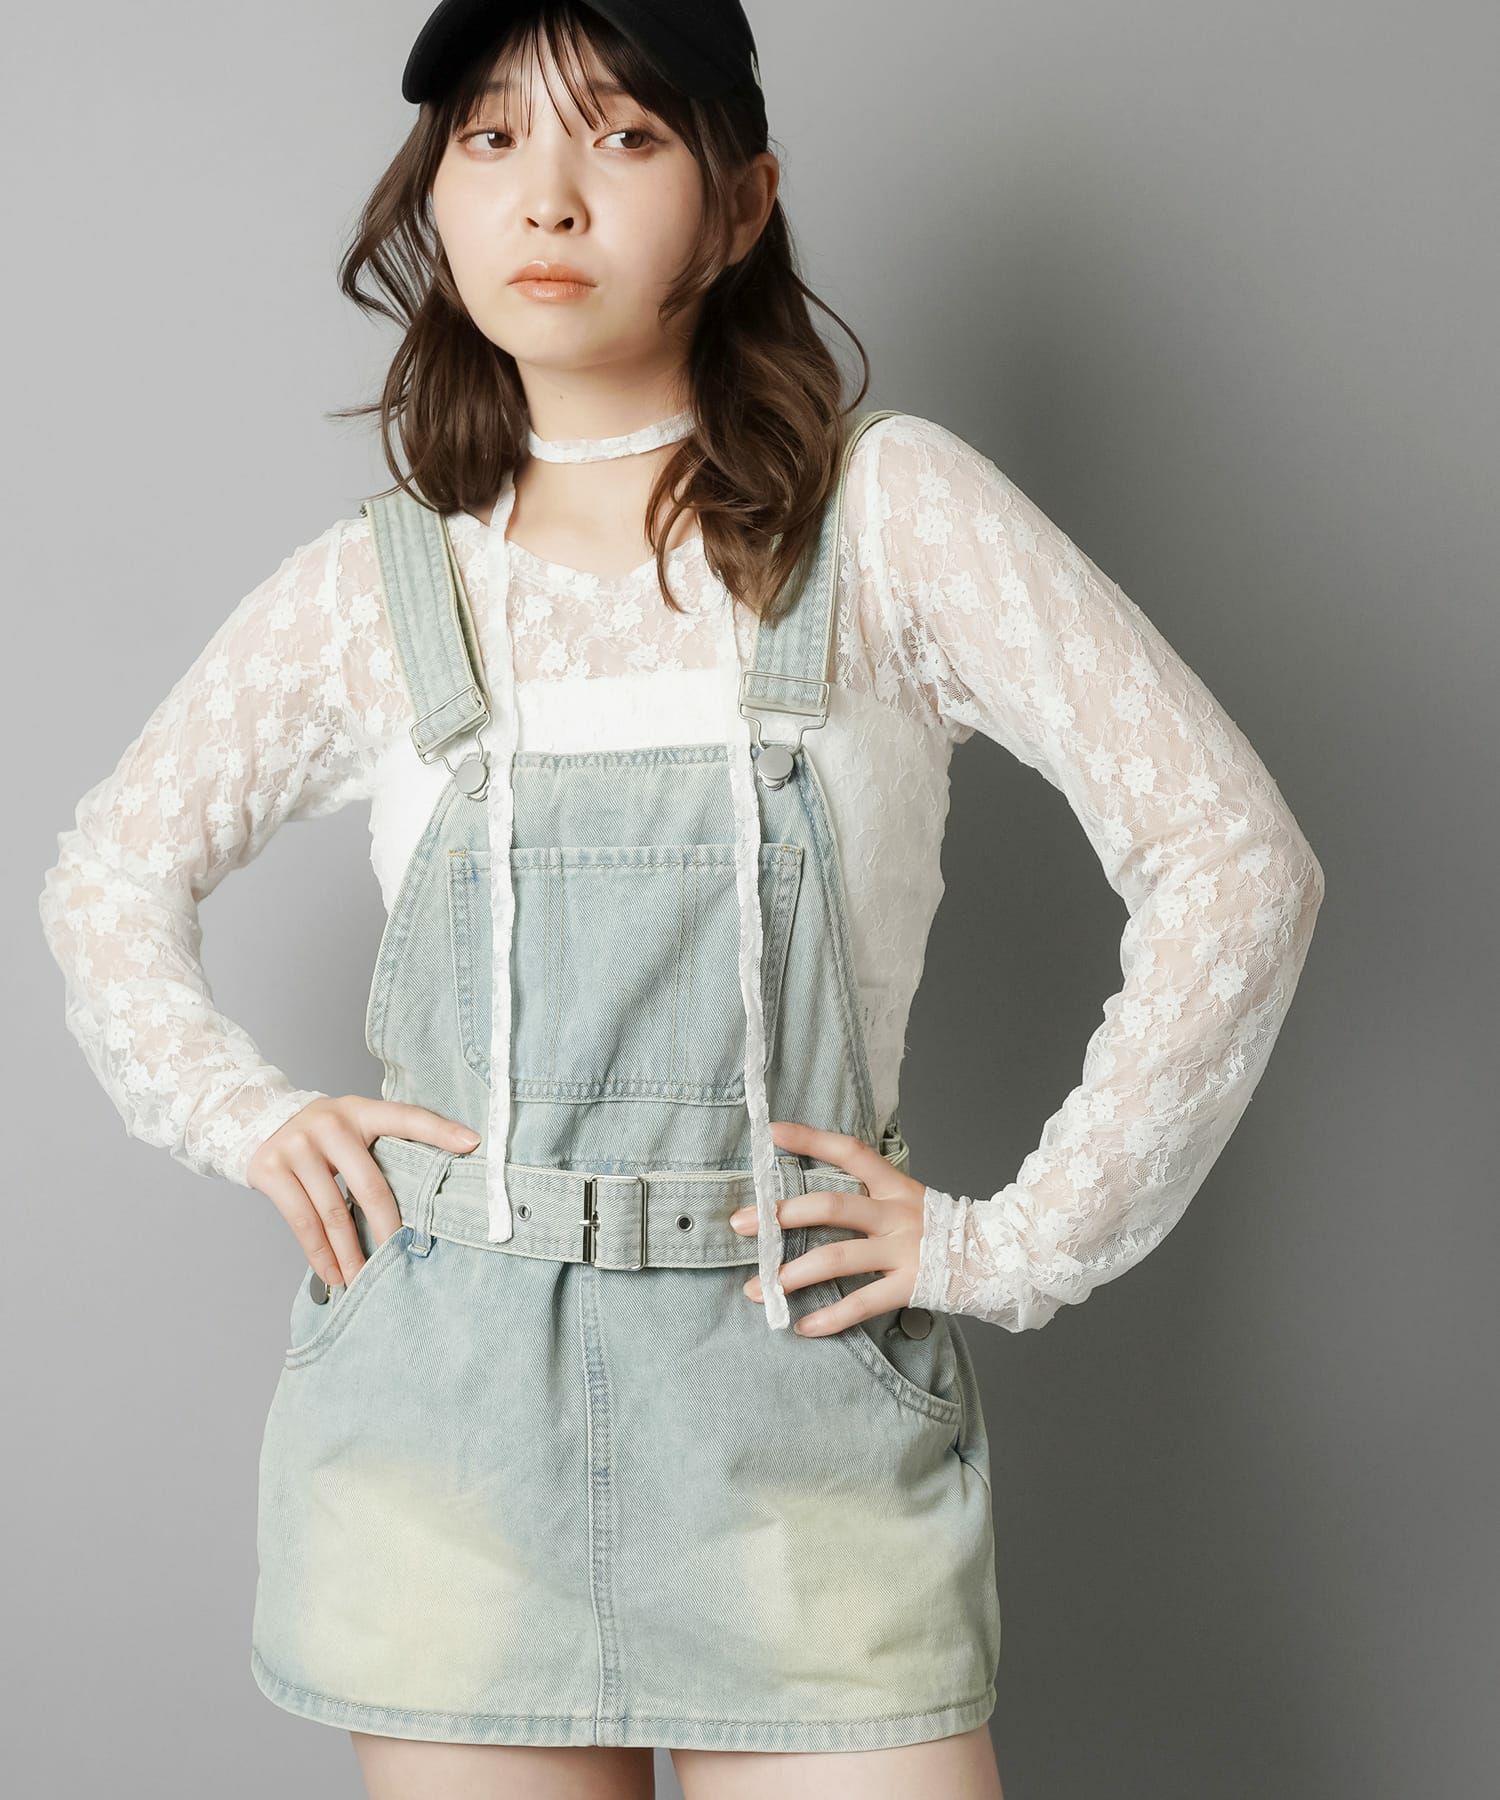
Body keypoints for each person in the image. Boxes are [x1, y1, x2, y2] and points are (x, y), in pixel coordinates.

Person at [36, 2, 1325, 1795]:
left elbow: (1235, 858)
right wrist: (243, 1114)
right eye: (492, 138)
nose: (548, 197)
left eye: (626, 136)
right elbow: (109, 870)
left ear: (740, 202)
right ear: (436, 194)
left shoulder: (891, 518)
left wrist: (1012, 1244)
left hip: (799, 1407)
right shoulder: (381, 585)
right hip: (445, 1425)